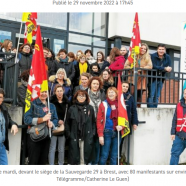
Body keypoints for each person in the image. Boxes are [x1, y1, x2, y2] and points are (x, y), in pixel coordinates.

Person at [24, 90, 58, 165]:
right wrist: (42, 119)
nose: (44, 94)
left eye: (46, 92)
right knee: (33, 162)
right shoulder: (32, 103)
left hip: (46, 137)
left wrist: (52, 124)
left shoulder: (51, 106)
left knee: (42, 162)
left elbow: (56, 119)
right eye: (41, 92)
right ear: (37, 92)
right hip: (34, 137)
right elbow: (26, 120)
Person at [65, 90, 96, 165]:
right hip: (74, 135)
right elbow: (67, 123)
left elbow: (93, 122)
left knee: (84, 158)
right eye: (80, 95)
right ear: (76, 97)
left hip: (86, 136)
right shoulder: (72, 108)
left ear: (86, 97)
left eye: (83, 96)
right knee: (75, 157)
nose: (81, 97)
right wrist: (69, 134)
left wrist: (92, 134)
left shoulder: (90, 108)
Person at [97, 87, 122, 165]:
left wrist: (122, 126)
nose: (111, 94)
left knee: (114, 156)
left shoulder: (120, 104)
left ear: (116, 94)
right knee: (104, 155)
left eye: (113, 92)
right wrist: (100, 135)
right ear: (107, 94)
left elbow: (124, 117)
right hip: (106, 132)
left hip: (117, 132)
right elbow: (99, 120)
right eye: (109, 92)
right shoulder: (103, 104)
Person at [49, 84, 70, 165]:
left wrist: (64, 122)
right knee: (52, 148)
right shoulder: (51, 103)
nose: (59, 93)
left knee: (61, 148)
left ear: (63, 91)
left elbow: (68, 115)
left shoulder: (67, 103)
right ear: (55, 92)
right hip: (54, 126)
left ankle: (60, 165)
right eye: (58, 91)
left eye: (61, 91)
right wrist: (57, 121)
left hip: (63, 127)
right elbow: (49, 114)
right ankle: (51, 165)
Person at [87, 76, 106, 165]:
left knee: (97, 145)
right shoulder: (85, 94)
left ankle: (95, 163)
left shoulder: (102, 94)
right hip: (88, 123)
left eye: (97, 84)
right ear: (90, 84)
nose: (95, 85)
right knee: (89, 144)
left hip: (99, 123)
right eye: (94, 83)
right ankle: (89, 162)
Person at [147, 44, 172, 108]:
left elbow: (169, 66)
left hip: (161, 78)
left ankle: (155, 108)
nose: (161, 51)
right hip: (152, 78)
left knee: (157, 96)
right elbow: (153, 66)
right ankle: (150, 109)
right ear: (157, 50)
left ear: (165, 50)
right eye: (160, 49)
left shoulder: (168, 57)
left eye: (162, 49)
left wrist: (169, 68)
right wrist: (164, 68)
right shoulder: (152, 56)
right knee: (151, 95)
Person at [120, 81, 138, 161]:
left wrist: (134, 123)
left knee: (121, 142)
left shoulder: (130, 97)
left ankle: (119, 158)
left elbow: (134, 110)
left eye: (127, 87)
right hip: (115, 123)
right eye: (123, 86)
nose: (125, 88)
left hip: (125, 123)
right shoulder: (116, 95)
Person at [0, 88, 18, 165]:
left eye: (0, 97)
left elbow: (9, 120)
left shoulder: (4, 109)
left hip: (1, 145)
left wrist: (13, 124)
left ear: (3, 99)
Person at [170, 88, 186, 165]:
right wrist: (173, 132)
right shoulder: (179, 105)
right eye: (185, 93)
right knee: (174, 154)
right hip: (179, 135)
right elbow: (174, 119)